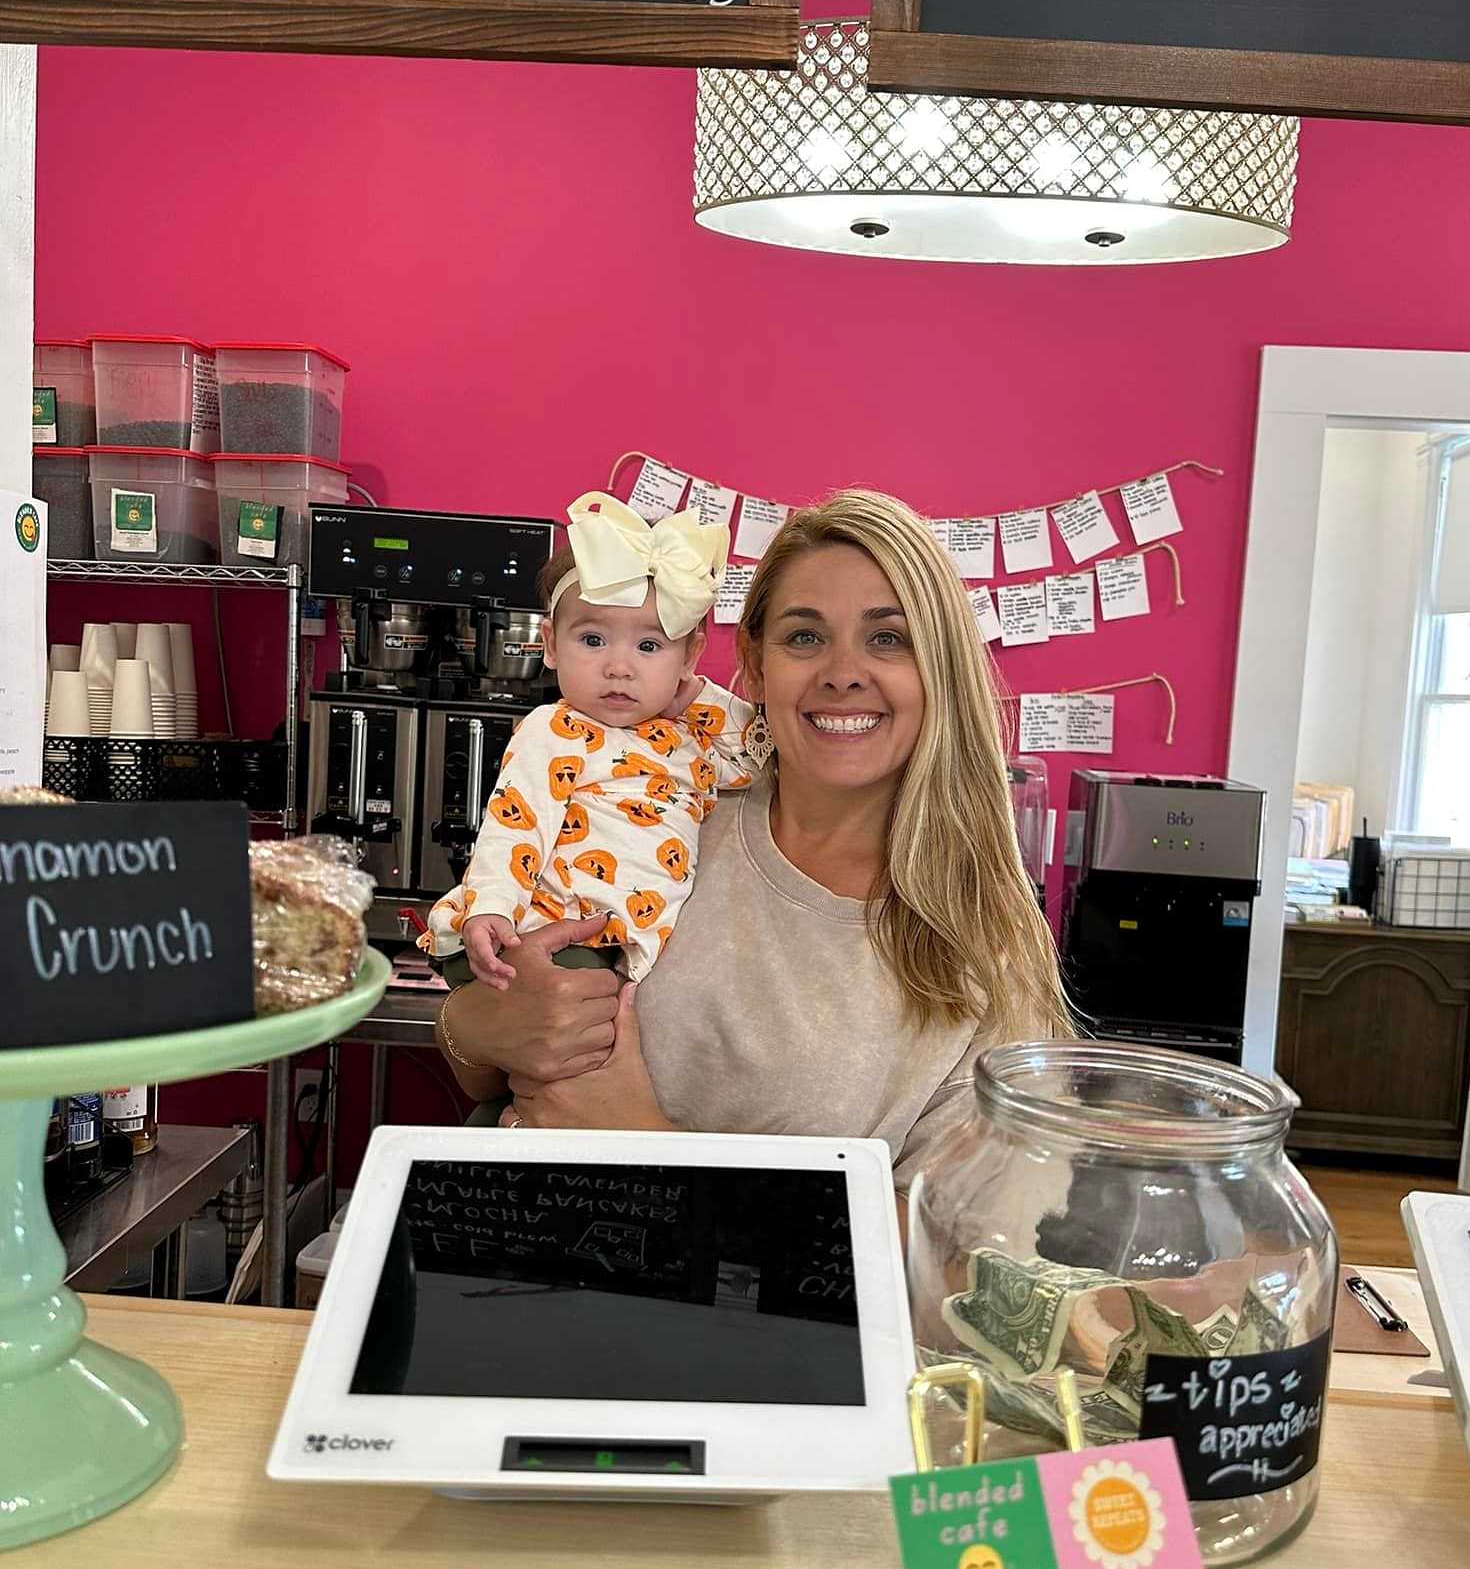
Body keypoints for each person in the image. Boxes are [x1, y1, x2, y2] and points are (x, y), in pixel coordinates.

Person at [436, 489, 1070, 1185]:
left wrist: (649, 1148)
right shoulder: (657, 806)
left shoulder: (982, 942)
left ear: (940, 669)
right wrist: (475, 1029)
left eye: (888, 637)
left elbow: (950, 1250)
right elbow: (486, 1065)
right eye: (804, 636)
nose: (842, 672)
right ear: (758, 664)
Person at [428, 489, 760, 997]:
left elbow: (758, 761)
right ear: (551, 645)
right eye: (592, 639)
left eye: (649, 647)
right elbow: (516, 824)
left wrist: (694, 694)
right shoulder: (553, 729)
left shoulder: (690, 742)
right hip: (546, 933)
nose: (619, 666)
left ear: (689, 655)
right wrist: (494, 908)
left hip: (625, 946)